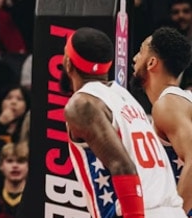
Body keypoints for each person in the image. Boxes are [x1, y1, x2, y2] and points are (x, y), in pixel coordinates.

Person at [62, 27, 185, 218]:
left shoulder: (82, 104)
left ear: (68, 62)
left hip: (138, 210)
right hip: (171, 210)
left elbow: (123, 166)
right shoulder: (124, 97)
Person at [131, 27, 192, 212]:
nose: (134, 58)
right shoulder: (179, 100)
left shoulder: (167, 104)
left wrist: (176, 215)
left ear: (151, 63)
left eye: (141, 51)